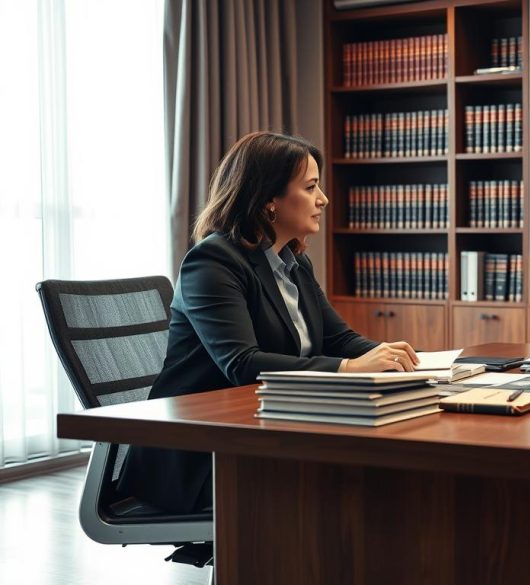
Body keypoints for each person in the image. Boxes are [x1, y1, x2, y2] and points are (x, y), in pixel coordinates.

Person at [117, 131, 419, 513]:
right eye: (311, 187)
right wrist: (350, 368)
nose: (323, 199)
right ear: (268, 201)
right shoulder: (212, 262)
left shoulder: (294, 262)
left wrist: (405, 361)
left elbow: (338, 338)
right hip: (203, 454)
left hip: (264, 432)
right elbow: (242, 363)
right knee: (363, 481)